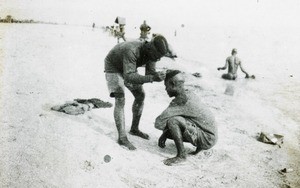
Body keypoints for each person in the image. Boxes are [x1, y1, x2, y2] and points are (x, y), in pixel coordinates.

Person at [104, 34, 176, 150]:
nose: (157, 59)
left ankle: (134, 129)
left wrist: (160, 75)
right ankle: (122, 137)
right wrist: (152, 78)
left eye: (159, 58)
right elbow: (129, 77)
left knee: (140, 96)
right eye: (156, 56)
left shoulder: (152, 53)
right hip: (113, 67)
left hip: (128, 69)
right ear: (150, 48)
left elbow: (150, 74)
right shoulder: (132, 49)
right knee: (120, 99)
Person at [155, 70, 218, 165]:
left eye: (166, 86)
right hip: (211, 137)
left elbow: (158, 123)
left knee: (173, 121)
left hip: (206, 140)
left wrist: (164, 133)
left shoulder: (181, 100)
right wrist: (165, 134)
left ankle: (181, 156)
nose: (166, 89)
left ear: (172, 84)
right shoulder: (189, 93)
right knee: (184, 118)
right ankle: (198, 149)